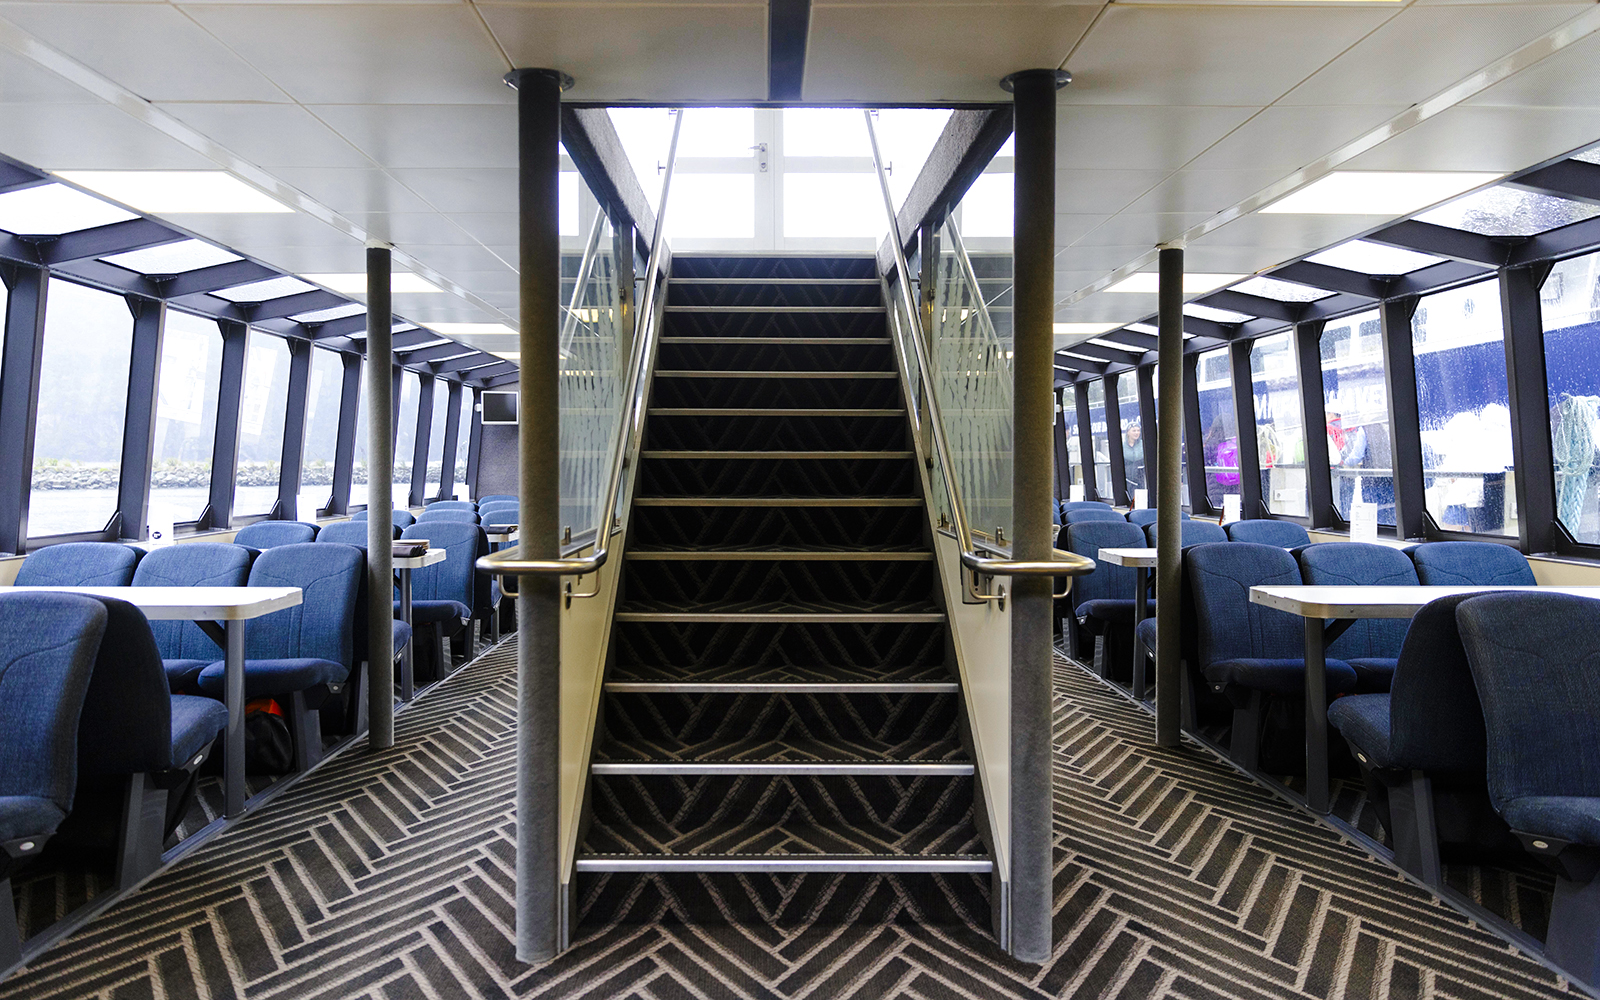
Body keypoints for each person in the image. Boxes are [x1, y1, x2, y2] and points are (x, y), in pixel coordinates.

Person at [1124, 423, 1145, 490]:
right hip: (1127, 480)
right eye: (1134, 431)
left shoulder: (1143, 444)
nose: (1136, 433)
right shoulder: (1122, 446)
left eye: (1138, 430)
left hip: (1141, 480)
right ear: (1128, 432)